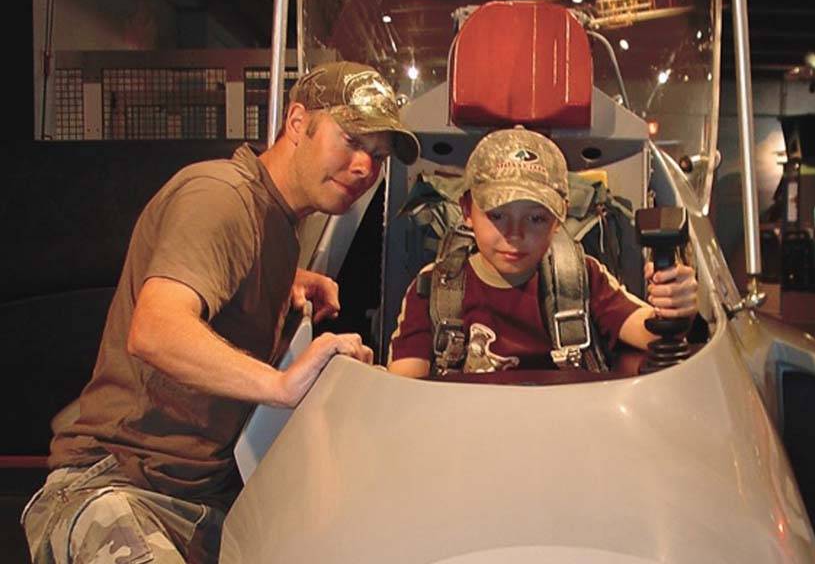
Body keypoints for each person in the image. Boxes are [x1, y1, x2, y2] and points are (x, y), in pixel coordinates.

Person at [22, 61, 420, 564]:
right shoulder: (220, 195)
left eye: (379, 155)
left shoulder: (277, 218)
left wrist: (284, 283)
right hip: (118, 488)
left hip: (203, 499)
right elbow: (156, 330)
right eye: (352, 139)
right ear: (297, 122)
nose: (366, 167)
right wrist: (282, 385)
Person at [387, 127, 698, 378]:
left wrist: (676, 308)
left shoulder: (580, 278)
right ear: (467, 210)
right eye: (497, 215)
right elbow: (403, 389)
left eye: (536, 219)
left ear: (559, 218)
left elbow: (654, 337)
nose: (515, 235)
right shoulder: (435, 289)